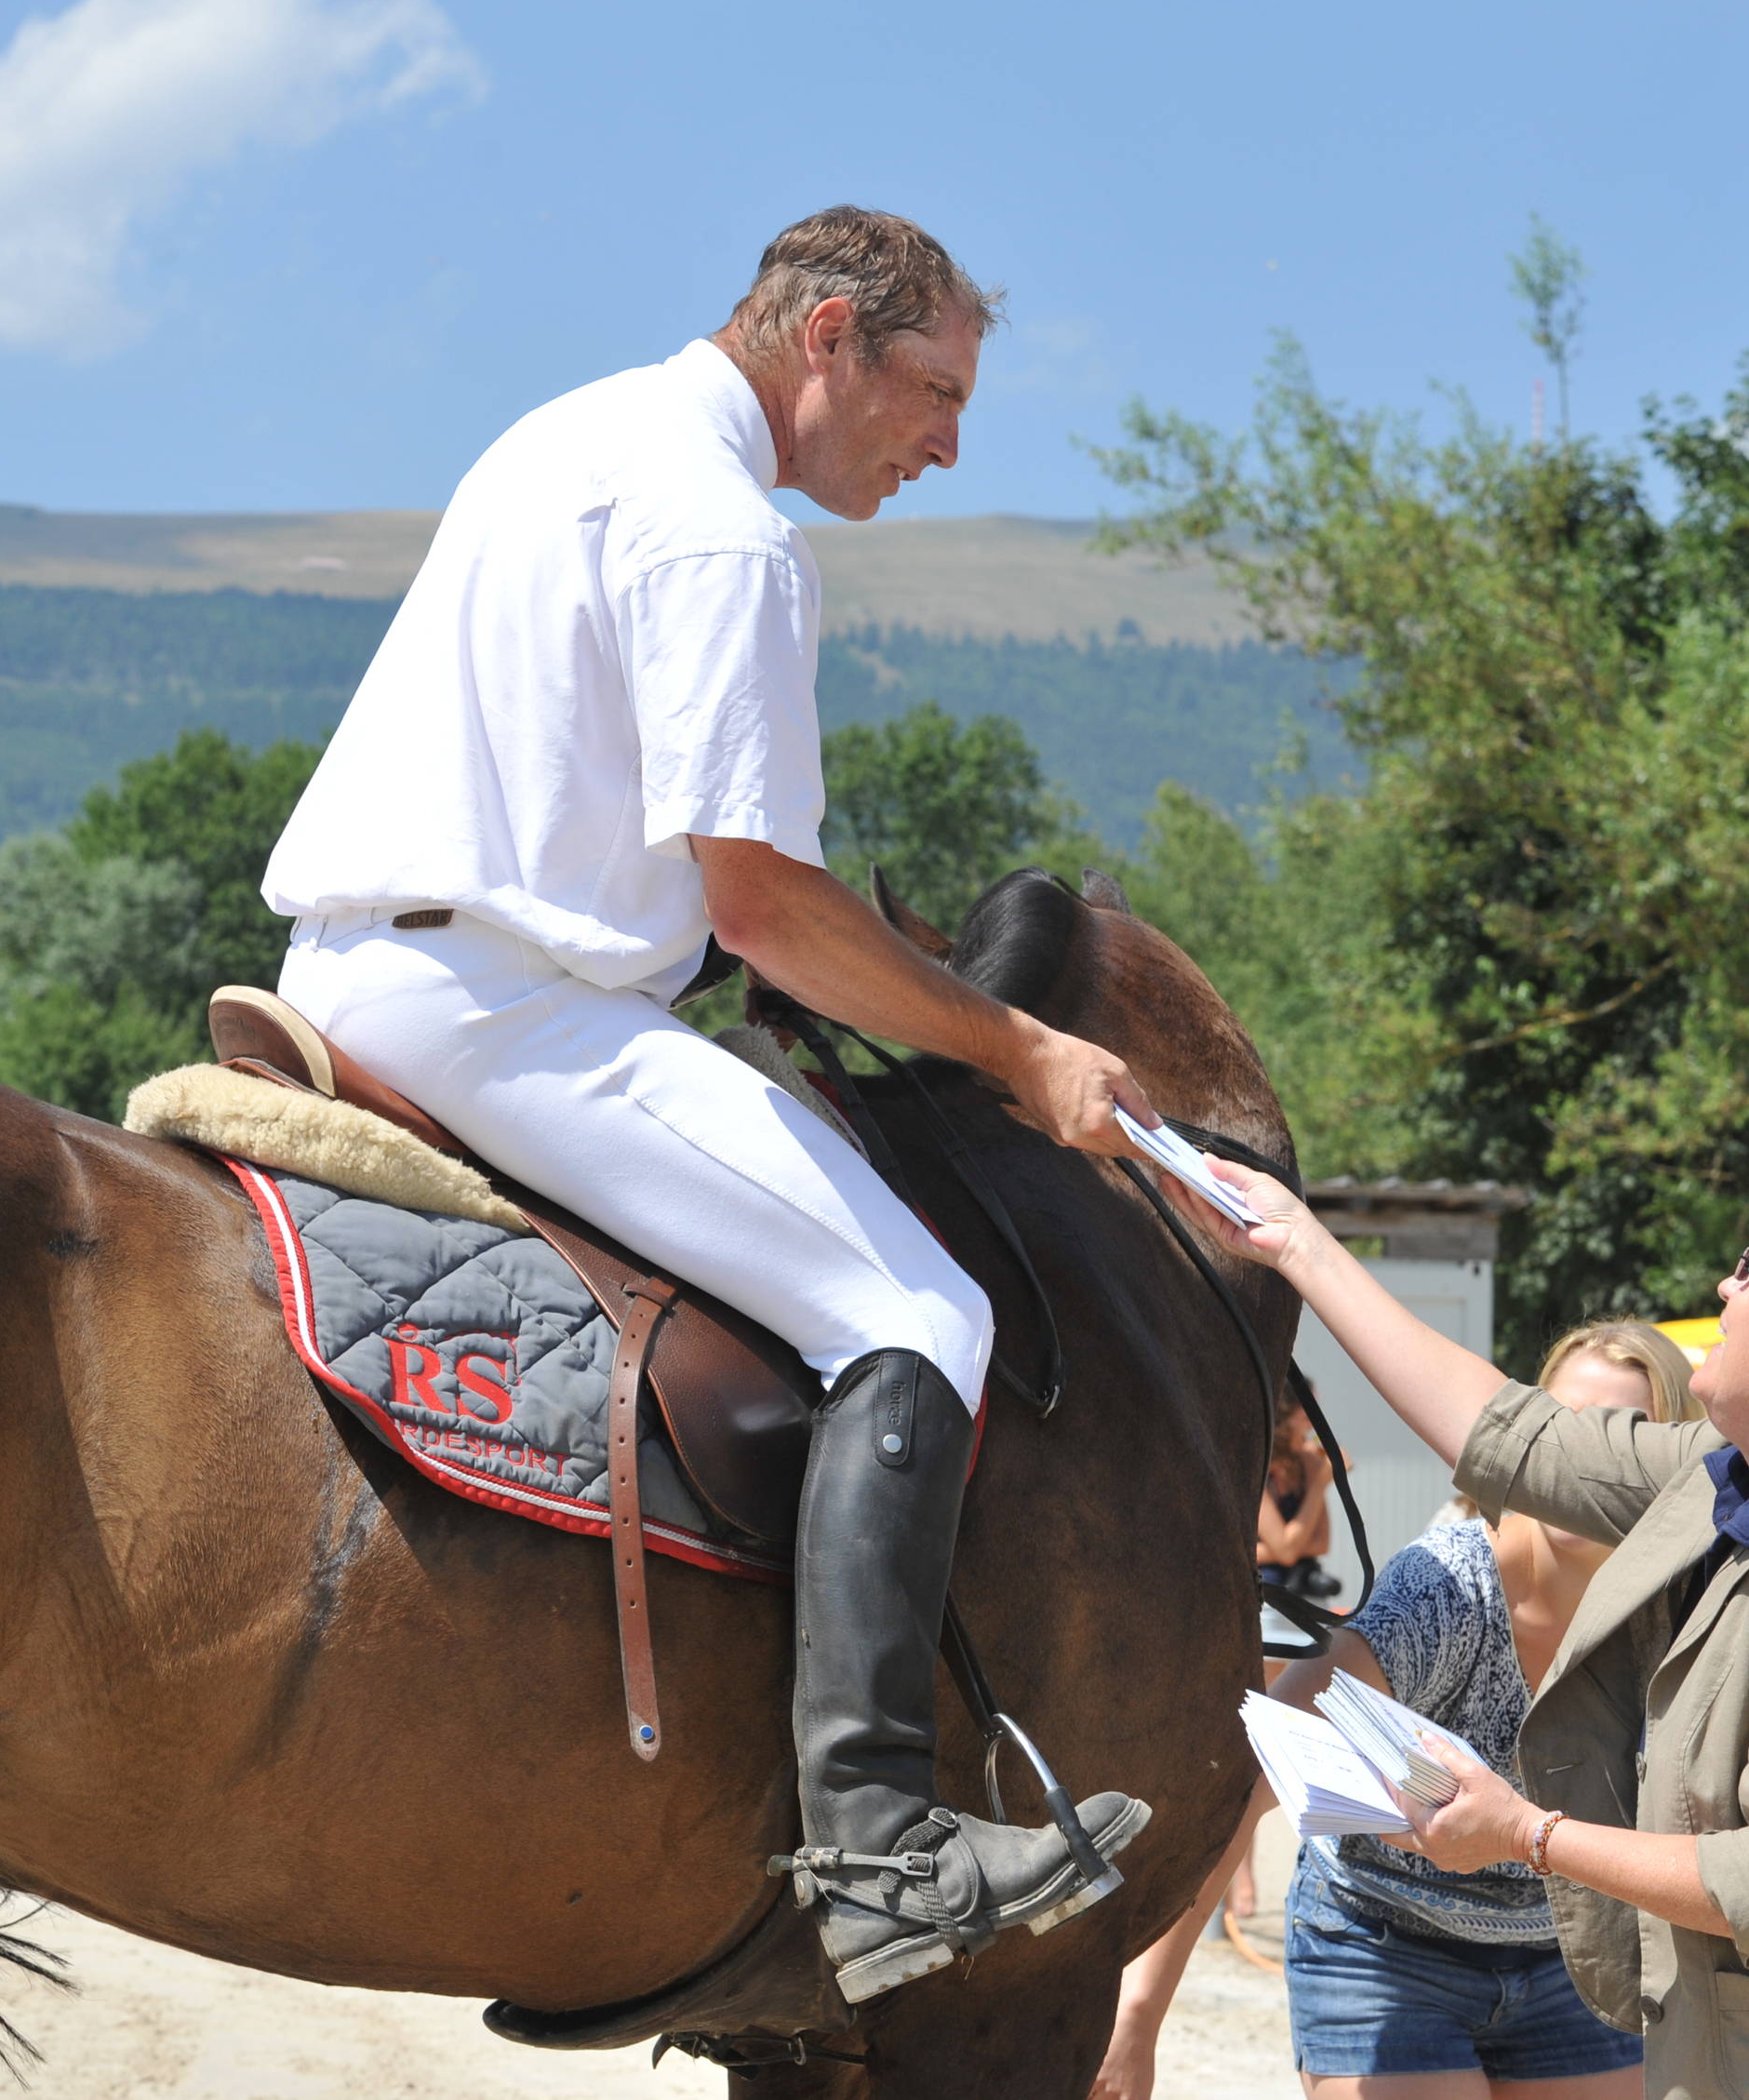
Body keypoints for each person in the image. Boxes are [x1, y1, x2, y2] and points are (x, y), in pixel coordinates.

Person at [256, 207, 1154, 2002]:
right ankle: (882, 1846)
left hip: (364, 961)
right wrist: (1020, 1049)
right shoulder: (728, 532)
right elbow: (767, 906)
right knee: (920, 1308)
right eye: (935, 391)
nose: (947, 445)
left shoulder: (572, 434)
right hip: (510, 1006)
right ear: (828, 336)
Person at [1165, 1124, 1749, 2100]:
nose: (1725, 1285)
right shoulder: (1734, 1477)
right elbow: (1510, 1436)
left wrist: (1525, 1833)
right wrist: (1295, 1241)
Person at [1090, 1321, 1692, 2100]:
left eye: (1623, 1433)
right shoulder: (1448, 1588)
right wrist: (1137, 2013)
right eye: (1561, 1427)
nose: (1580, 1459)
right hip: (1380, 1941)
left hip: (1571, 1952)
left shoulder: (1687, 1611)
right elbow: (1261, 1760)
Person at [1260, 1406, 1340, 1605]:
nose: (1313, 1426)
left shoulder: (1307, 1464)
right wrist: (1318, 1485)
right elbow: (1287, 1552)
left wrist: (1260, 1552)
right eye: (1307, 1417)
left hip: (1308, 1594)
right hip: (1268, 1600)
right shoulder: (1259, 1469)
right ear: (1283, 1418)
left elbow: (1322, 1543)